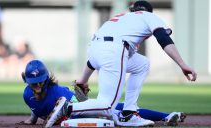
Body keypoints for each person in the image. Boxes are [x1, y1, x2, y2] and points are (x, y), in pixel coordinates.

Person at [46, 0, 197, 127]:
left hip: (96, 50)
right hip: (114, 51)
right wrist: (182, 64)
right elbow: (163, 38)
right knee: (107, 106)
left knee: (142, 64)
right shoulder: (148, 16)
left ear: (133, 10)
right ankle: (68, 108)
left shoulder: (121, 18)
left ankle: (128, 113)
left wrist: (83, 80)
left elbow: (94, 59)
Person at [20, 59, 186, 127]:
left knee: (124, 111)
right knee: (122, 111)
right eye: (34, 82)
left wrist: (81, 97)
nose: (38, 84)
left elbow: (82, 105)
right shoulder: (27, 95)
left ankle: (167, 116)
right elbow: (35, 106)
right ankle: (167, 115)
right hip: (76, 115)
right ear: (28, 82)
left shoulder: (56, 91)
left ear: (46, 79)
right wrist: (32, 119)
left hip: (81, 111)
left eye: (41, 80)